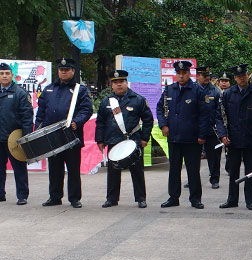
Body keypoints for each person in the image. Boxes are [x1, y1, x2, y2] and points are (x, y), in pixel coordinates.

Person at [36, 57, 93, 209]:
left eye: (67, 70)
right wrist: (38, 128)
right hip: (52, 136)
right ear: (58, 71)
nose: (64, 72)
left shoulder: (80, 90)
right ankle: (55, 197)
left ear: (73, 71)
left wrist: (77, 121)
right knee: (54, 169)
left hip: (71, 135)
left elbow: (87, 110)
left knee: (73, 169)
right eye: (61, 70)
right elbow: (41, 111)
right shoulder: (49, 89)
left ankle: (74, 198)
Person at [95, 70, 153, 209]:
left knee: (137, 171)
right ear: (111, 85)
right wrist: (100, 140)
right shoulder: (107, 101)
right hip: (113, 140)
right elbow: (100, 122)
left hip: (133, 140)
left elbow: (148, 119)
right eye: (115, 82)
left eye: (121, 82)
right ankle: (112, 199)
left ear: (126, 83)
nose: (119, 85)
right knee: (113, 172)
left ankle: (141, 198)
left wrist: (144, 138)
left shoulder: (137, 99)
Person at [156, 60, 210, 209]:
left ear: (189, 74)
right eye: (178, 73)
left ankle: (195, 199)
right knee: (174, 169)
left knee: (193, 170)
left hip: (192, 138)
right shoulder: (169, 90)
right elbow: (160, 108)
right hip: (174, 137)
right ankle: (173, 197)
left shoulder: (197, 90)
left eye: (184, 73)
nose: (181, 76)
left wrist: (202, 135)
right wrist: (163, 125)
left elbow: (204, 114)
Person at [216, 64, 252, 210]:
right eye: (239, 77)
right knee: (233, 171)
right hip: (233, 139)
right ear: (235, 78)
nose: (242, 78)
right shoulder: (228, 94)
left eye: (244, 75)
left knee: (251, 172)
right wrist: (222, 135)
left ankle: (250, 200)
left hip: (251, 139)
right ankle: (232, 199)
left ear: (247, 76)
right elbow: (219, 116)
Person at [0, 62, 33, 205]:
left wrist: (24, 138)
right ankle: (1, 194)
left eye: (7, 73)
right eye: (1, 74)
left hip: (14, 138)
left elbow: (27, 117)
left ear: (12, 75)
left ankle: (22, 195)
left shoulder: (20, 93)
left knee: (19, 168)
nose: (4, 76)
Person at [196, 66, 222, 189]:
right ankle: (193, 178)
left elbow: (219, 111)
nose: (207, 78)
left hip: (211, 129)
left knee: (214, 157)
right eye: (204, 75)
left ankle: (215, 179)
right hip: (196, 129)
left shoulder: (215, 91)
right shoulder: (193, 89)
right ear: (197, 76)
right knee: (194, 157)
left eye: (208, 75)